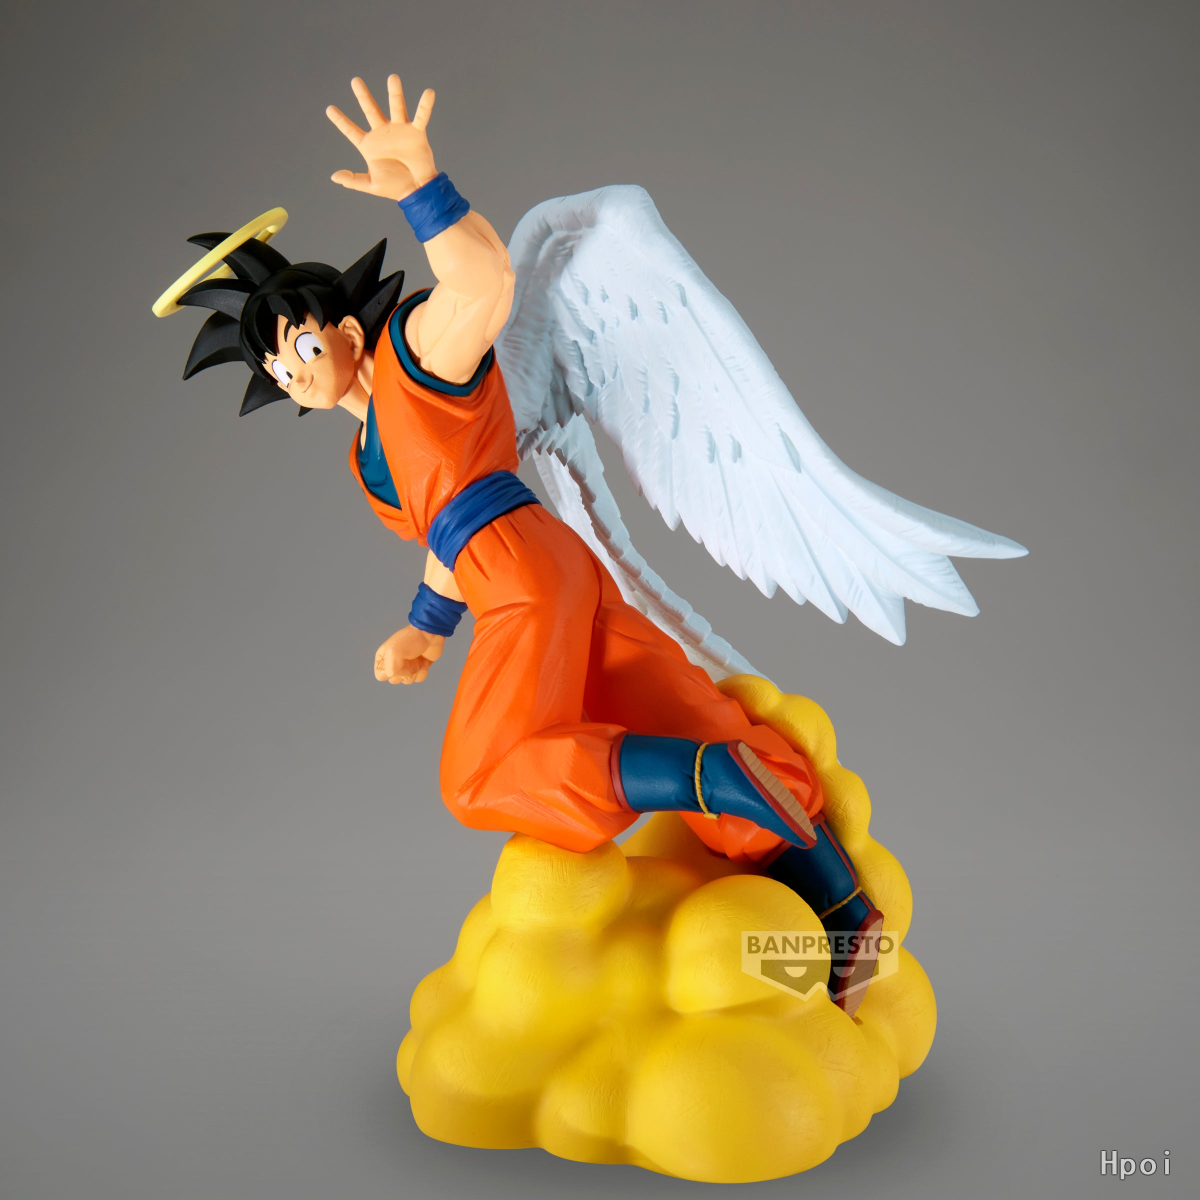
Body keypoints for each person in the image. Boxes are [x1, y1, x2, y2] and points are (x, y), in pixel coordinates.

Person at [168, 74, 884, 1014]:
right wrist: (426, 625)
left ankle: (708, 778)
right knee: (688, 715)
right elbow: (446, 532)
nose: (292, 371)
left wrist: (425, 192)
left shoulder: (417, 357)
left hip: (520, 579)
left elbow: (484, 285)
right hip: (546, 562)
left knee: (481, 775)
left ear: (343, 330)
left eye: (300, 345)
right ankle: (846, 918)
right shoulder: (368, 451)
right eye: (275, 364)